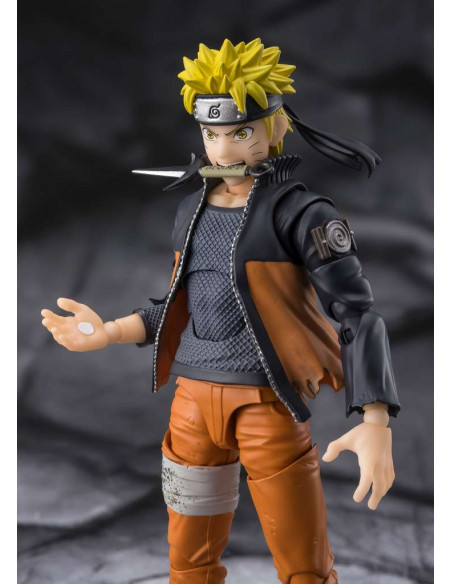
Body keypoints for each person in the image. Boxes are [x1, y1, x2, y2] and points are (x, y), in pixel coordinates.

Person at [42, 39, 400, 584]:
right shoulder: (191, 210)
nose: (223, 148)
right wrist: (108, 331)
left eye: (241, 133)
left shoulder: (302, 214)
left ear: (275, 129)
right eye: (212, 134)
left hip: (265, 404)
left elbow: (356, 313)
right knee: (188, 562)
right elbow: (179, 306)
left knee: (303, 564)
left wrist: (375, 419)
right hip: (190, 406)